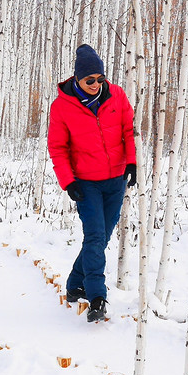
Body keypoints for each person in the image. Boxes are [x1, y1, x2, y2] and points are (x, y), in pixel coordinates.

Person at [47, 44, 137, 322]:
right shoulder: (62, 107)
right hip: (86, 183)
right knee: (95, 237)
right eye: (90, 80)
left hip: (116, 180)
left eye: (101, 79)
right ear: (77, 79)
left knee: (100, 239)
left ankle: (75, 284)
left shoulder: (117, 95)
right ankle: (97, 297)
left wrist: (132, 161)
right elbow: (58, 148)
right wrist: (67, 181)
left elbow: (128, 130)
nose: (96, 84)